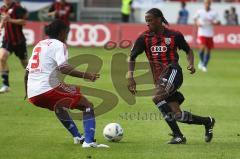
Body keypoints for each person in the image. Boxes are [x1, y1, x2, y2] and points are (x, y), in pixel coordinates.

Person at [127, 8, 215, 144]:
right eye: (146, 21)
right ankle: (207, 122)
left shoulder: (174, 35)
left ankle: (178, 135)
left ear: (159, 19)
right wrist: (130, 77)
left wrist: (191, 64)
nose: (147, 24)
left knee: (157, 97)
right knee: (177, 115)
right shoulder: (144, 37)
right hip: (159, 79)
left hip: (173, 71)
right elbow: (131, 57)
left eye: (150, 20)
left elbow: (188, 50)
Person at [24, 19, 109, 148]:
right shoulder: (59, 45)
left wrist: (27, 92)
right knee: (87, 105)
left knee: (59, 106)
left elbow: (27, 73)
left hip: (33, 94)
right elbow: (63, 68)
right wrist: (86, 75)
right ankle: (89, 142)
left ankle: (77, 137)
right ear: (62, 32)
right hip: (47, 88)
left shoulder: (39, 44)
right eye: (67, 32)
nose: (67, 35)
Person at [0, 0, 28, 93]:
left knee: (25, 64)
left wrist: (10, 20)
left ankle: (34, 82)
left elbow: (23, 22)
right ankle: (5, 85)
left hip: (19, 41)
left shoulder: (17, 8)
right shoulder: (2, 8)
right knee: (2, 58)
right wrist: (1, 25)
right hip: (7, 40)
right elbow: (3, 21)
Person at [194, 0, 220, 72]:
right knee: (202, 47)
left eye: (208, 3)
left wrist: (215, 22)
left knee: (208, 50)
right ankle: (202, 62)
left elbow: (218, 22)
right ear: (204, 4)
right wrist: (197, 23)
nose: (207, 4)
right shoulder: (200, 11)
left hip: (210, 33)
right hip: (202, 32)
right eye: (206, 3)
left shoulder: (214, 12)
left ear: (210, 4)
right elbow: (195, 18)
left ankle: (204, 65)